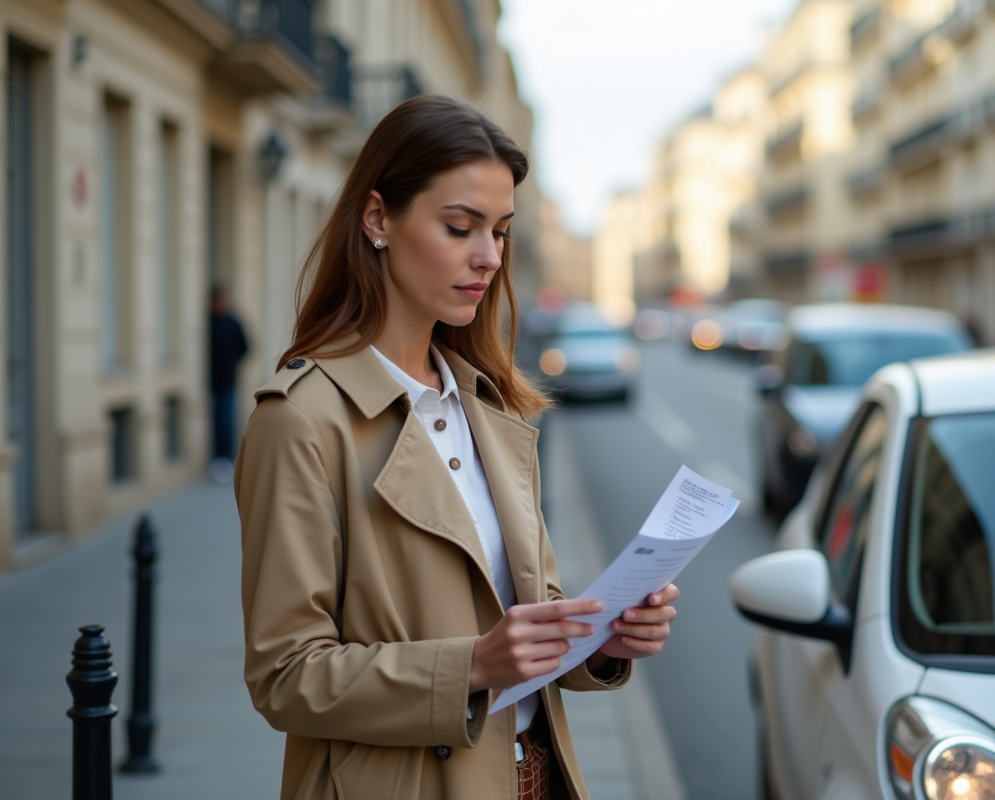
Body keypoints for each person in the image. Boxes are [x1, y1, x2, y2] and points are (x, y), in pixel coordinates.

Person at [233, 95, 680, 800]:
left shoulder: (488, 404)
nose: (489, 257)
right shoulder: (303, 420)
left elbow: (523, 612)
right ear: (378, 219)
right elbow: (285, 676)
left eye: (500, 231)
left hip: (536, 777)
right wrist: (472, 665)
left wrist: (599, 635)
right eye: (460, 227)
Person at [209, 282, 249, 483]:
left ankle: (224, 459)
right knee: (213, 421)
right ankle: (215, 459)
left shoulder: (233, 321)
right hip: (208, 382)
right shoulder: (206, 321)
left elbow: (246, 346)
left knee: (226, 420)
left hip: (227, 381)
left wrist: (232, 364)